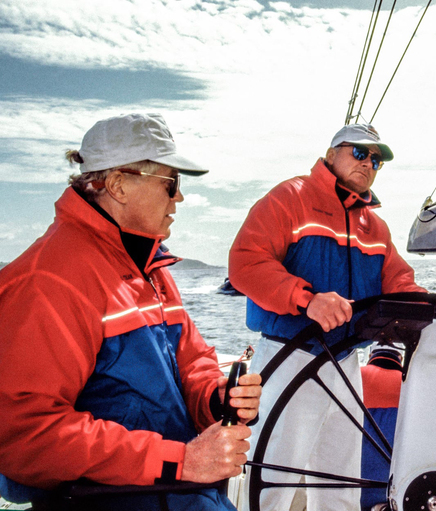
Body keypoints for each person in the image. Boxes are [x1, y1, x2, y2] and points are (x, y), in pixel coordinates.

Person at [0, 113, 262, 511]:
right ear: (119, 184)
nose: (179, 198)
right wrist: (180, 461)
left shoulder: (150, 268)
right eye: (171, 183)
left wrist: (216, 397)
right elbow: (26, 434)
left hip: (178, 494)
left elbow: (192, 362)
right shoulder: (49, 280)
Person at [229, 123, 436, 511]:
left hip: (345, 363)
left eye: (376, 160)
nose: (368, 164)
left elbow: (399, 284)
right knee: (273, 481)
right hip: (290, 357)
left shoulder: (374, 227)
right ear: (331, 154)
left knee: (341, 481)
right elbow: (245, 263)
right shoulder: (288, 199)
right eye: (359, 153)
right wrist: (306, 299)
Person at [360, 343, 404, 511]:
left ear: (371, 354)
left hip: (349, 489)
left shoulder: (353, 377)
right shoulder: (414, 386)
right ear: (400, 358)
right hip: (396, 494)